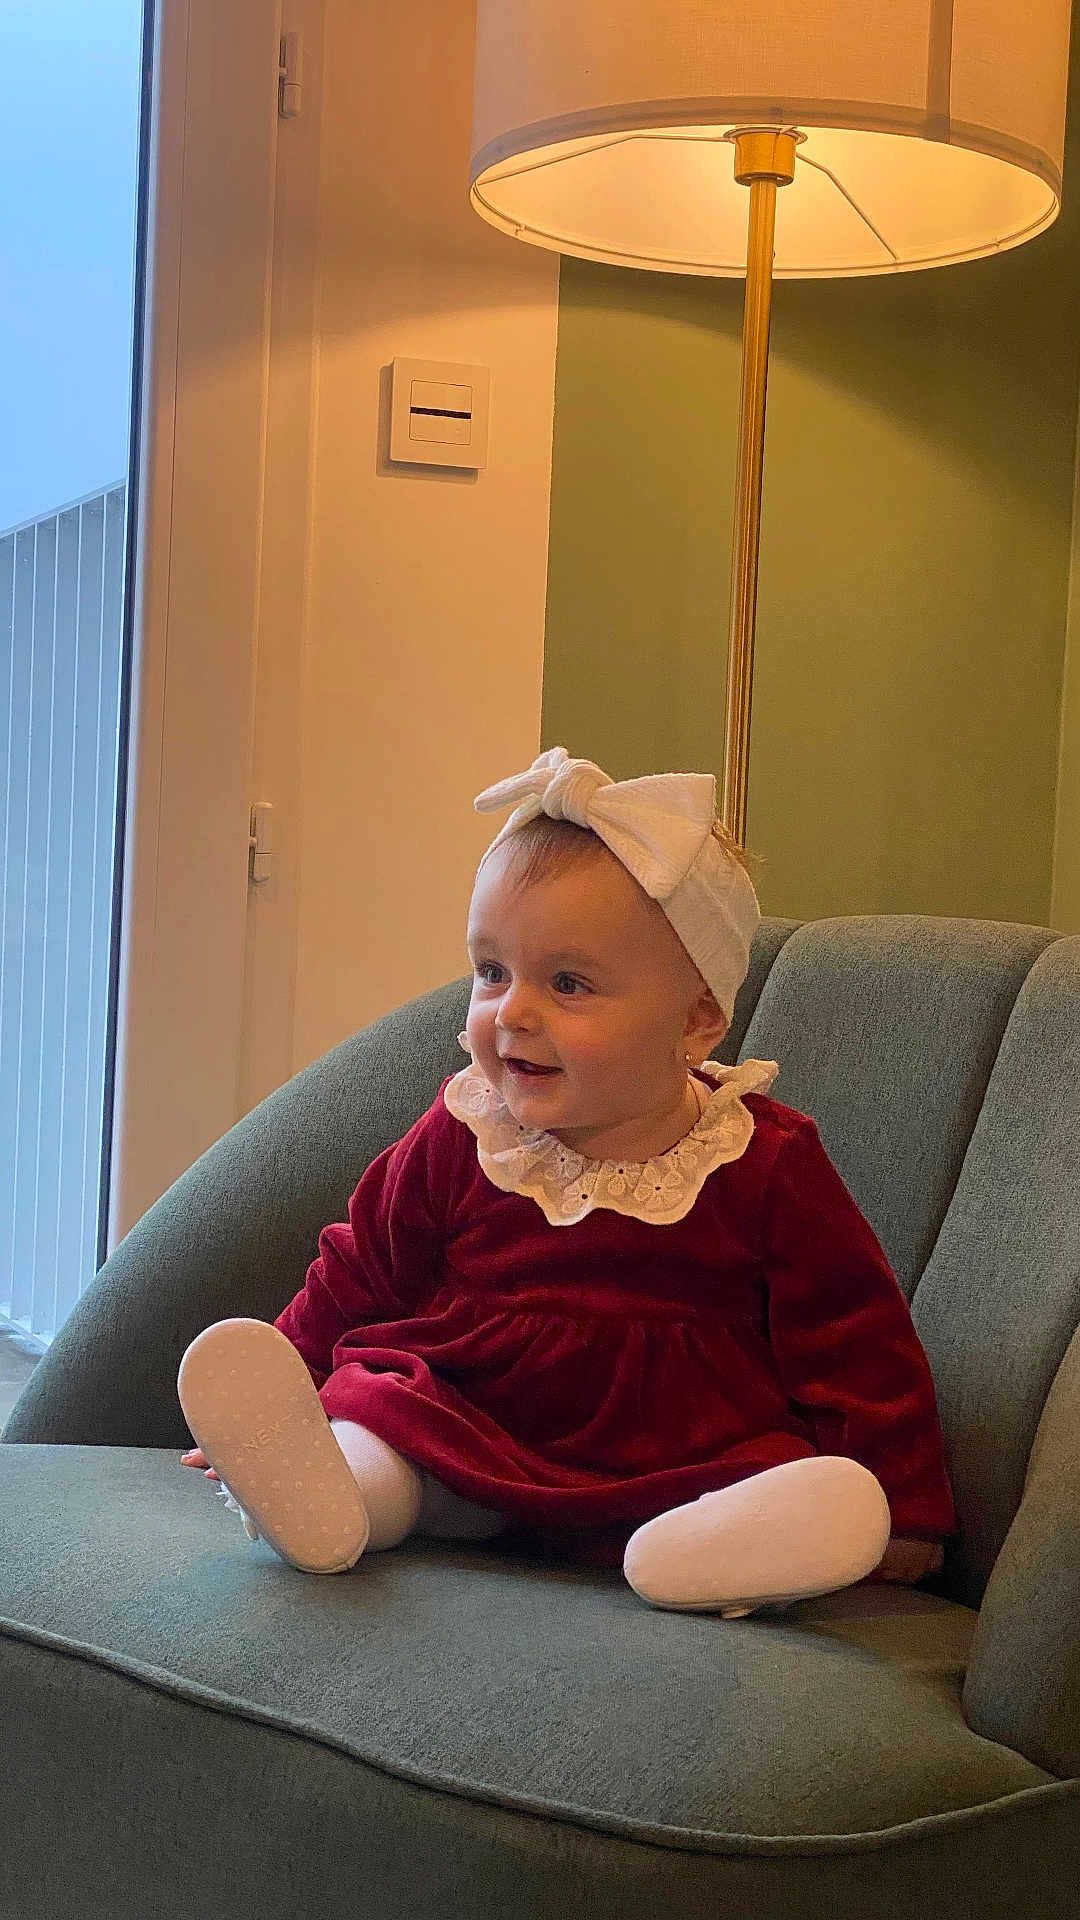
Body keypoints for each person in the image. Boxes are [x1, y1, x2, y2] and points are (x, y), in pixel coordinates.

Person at [178, 746, 956, 1617]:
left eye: (569, 983)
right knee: (384, 1415)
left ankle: (732, 1546)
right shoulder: (468, 1131)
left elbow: (856, 1339)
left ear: (696, 1020)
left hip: (673, 1459)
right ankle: (332, 1498)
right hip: (465, 1421)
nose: (511, 1011)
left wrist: (905, 1496)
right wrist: (292, 1363)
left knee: (780, 1474)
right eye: (491, 971)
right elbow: (364, 1265)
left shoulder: (758, 1160)